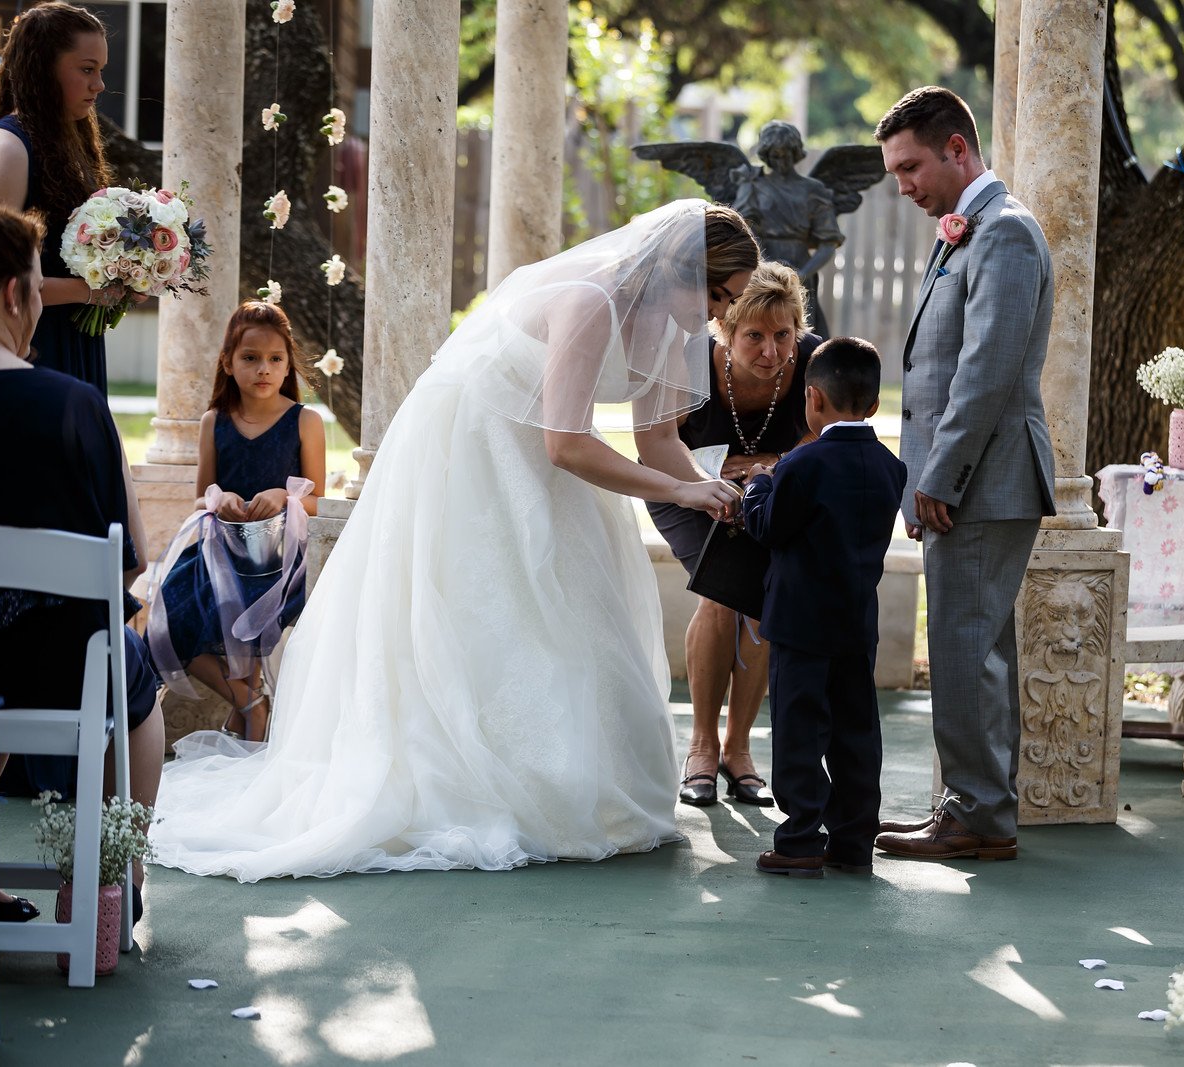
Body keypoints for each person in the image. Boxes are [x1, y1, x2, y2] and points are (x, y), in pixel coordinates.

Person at [150, 201, 757, 882]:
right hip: (478, 443)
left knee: (575, 603)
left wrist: (709, 489)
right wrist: (677, 493)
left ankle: (571, 780)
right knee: (490, 601)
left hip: (547, 450)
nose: (718, 316)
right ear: (681, 270)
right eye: (717, 295)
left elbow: (658, 438)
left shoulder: (670, 324)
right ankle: (473, 785)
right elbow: (565, 444)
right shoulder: (591, 300)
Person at [870, 86, 1055, 862]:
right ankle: (978, 805)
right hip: (973, 476)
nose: (903, 186)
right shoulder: (966, 231)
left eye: (910, 167)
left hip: (982, 477)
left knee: (963, 646)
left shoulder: (1003, 231)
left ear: (956, 149)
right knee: (974, 648)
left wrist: (938, 477)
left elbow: (986, 370)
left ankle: (977, 815)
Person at [0, 205, 163, 923]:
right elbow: (125, 566)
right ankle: (113, 878)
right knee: (134, 679)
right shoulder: (74, 405)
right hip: (56, 671)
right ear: (14, 295)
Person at [0, 1, 151, 580]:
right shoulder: (10, 147)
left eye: (102, 71)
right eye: (87, 69)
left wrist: (127, 274)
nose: (100, 85)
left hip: (75, 345)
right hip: (30, 354)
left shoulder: (69, 141)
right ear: (42, 66)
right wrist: (89, 291)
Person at [645, 260, 820, 808]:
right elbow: (660, 444)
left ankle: (737, 748)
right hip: (682, 487)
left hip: (776, 492)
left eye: (783, 335)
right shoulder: (689, 359)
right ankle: (701, 745)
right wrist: (714, 477)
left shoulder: (814, 361)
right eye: (754, 337)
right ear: (724, 328)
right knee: (725, 593)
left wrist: (768, 467)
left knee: (766, 600)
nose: (772, 351)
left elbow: (827, 434)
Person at [741, 338, 907, 878]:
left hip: (800, 624)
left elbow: (768, 527)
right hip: (856, 623)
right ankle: (854, 842)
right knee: (856, 732)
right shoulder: (891, 468)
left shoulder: (802, 464)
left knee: (799, 730)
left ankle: (799, 841)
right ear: (874, 404)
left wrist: (757, 487)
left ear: (812, 398)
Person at [146, 302, 326, 743]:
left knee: (250, 615)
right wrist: (219, 497)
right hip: (218, 552)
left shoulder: (305, 421)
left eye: (275, 359)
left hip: (276, 562)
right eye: (250, 357)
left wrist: (285, 495)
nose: (264, 369)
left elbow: (317, 500)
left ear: (288, 366)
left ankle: (247, 713)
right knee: (167, 622)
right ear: (228, 362)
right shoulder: (215, 422)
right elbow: (200, 497)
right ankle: (249, 701)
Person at [731, 122, 846, 336]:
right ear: (766, 154)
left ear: (795, 152)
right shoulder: (754, 185)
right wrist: (757, 267)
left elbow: (828, 243)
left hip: (801, 269)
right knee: (759, 328)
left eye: (786, 154)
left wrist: (803, 273)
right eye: (775, 155)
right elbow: (740, 227)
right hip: (761, 267)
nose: (781, 161)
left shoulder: (813, 190)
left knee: (802, 335)